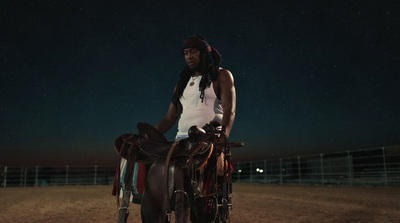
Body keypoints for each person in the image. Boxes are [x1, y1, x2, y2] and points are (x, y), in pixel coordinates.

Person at [155, 35, 236, 141]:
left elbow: (229, 111)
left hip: (209, 139)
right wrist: (147, 135)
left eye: (193, 52)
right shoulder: (182, 84)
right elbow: (169, 119)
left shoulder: (221, 76)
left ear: (204, 54)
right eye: (186, 53)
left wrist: (222, 139)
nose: (189, 56)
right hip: (181, 141)